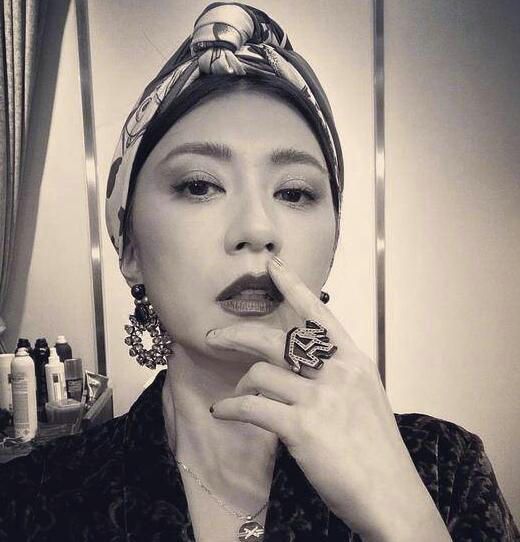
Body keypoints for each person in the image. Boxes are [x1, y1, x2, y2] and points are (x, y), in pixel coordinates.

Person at [1, 3, 519, 541]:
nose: (257, 227)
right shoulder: (30, 503)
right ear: (129, 246)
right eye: (199, 185)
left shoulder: (445, 471)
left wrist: (407, 521)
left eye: (293, 192)